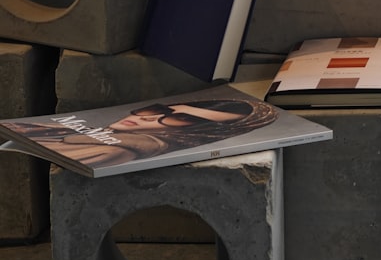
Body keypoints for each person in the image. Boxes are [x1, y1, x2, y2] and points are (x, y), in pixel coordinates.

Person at [4, 97, 278, 169]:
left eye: (180, 119)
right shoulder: (82, 130)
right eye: (156, 108)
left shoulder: (117, 149)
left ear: (197, 135)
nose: (155, 117)